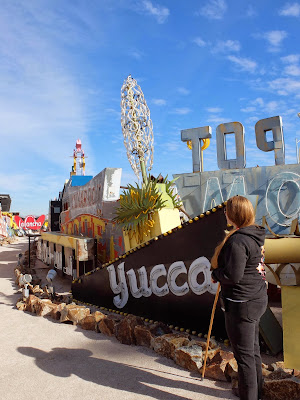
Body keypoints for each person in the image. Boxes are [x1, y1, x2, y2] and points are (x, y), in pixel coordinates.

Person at [211, 195, 267, 400]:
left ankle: (249, 395)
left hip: (242, 304)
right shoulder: (255, 235)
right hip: (257, 299)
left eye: (226, 211)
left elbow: (233, 276)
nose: (224, 214)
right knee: (252, 352)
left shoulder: (237, 240)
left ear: (233, 214)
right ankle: (255, 392)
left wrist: (215, 274)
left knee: (244, 358)